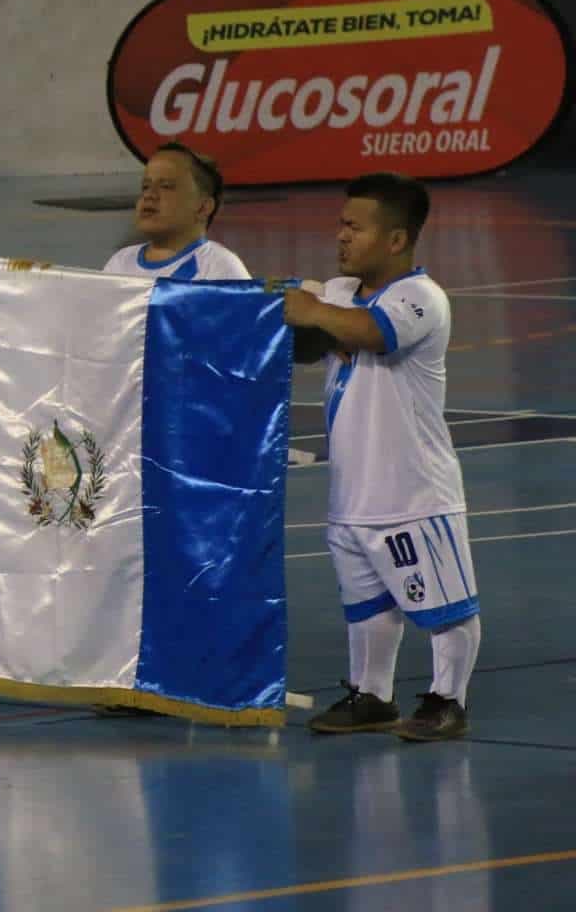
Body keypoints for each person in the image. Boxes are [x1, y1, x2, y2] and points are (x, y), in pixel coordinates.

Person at [284, 173, 478, 742]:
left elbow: (372, 334)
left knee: (446, 608)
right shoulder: (340, 295)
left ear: (395, 240)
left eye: (354, 226)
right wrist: (282, 309)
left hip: (415, 492)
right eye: (341, 224)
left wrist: (308, 307)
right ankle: (372, 696)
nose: (340, 236)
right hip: (352, 494)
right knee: (367, 606)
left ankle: (448, 700)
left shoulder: (420, 298)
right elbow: (303, 343)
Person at [102, 142, 250, 282]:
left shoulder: (220, 269)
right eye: (145, 187)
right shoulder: (120, 263)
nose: (149, 195)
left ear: (203, 207)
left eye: (166, 186)